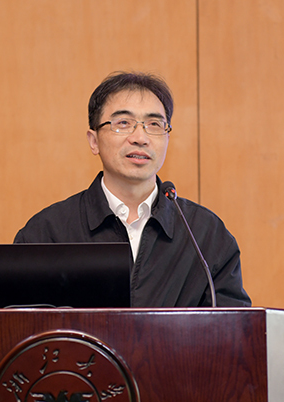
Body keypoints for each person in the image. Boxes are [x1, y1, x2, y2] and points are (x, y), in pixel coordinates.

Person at [14, 71, 250, 307]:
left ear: (167, 139)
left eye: (154, 124)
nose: (140, 138)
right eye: (123, 123)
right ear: (94, 141)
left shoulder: (205, 235)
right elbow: (21, 324)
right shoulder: (47, 233)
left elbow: (233, 326)